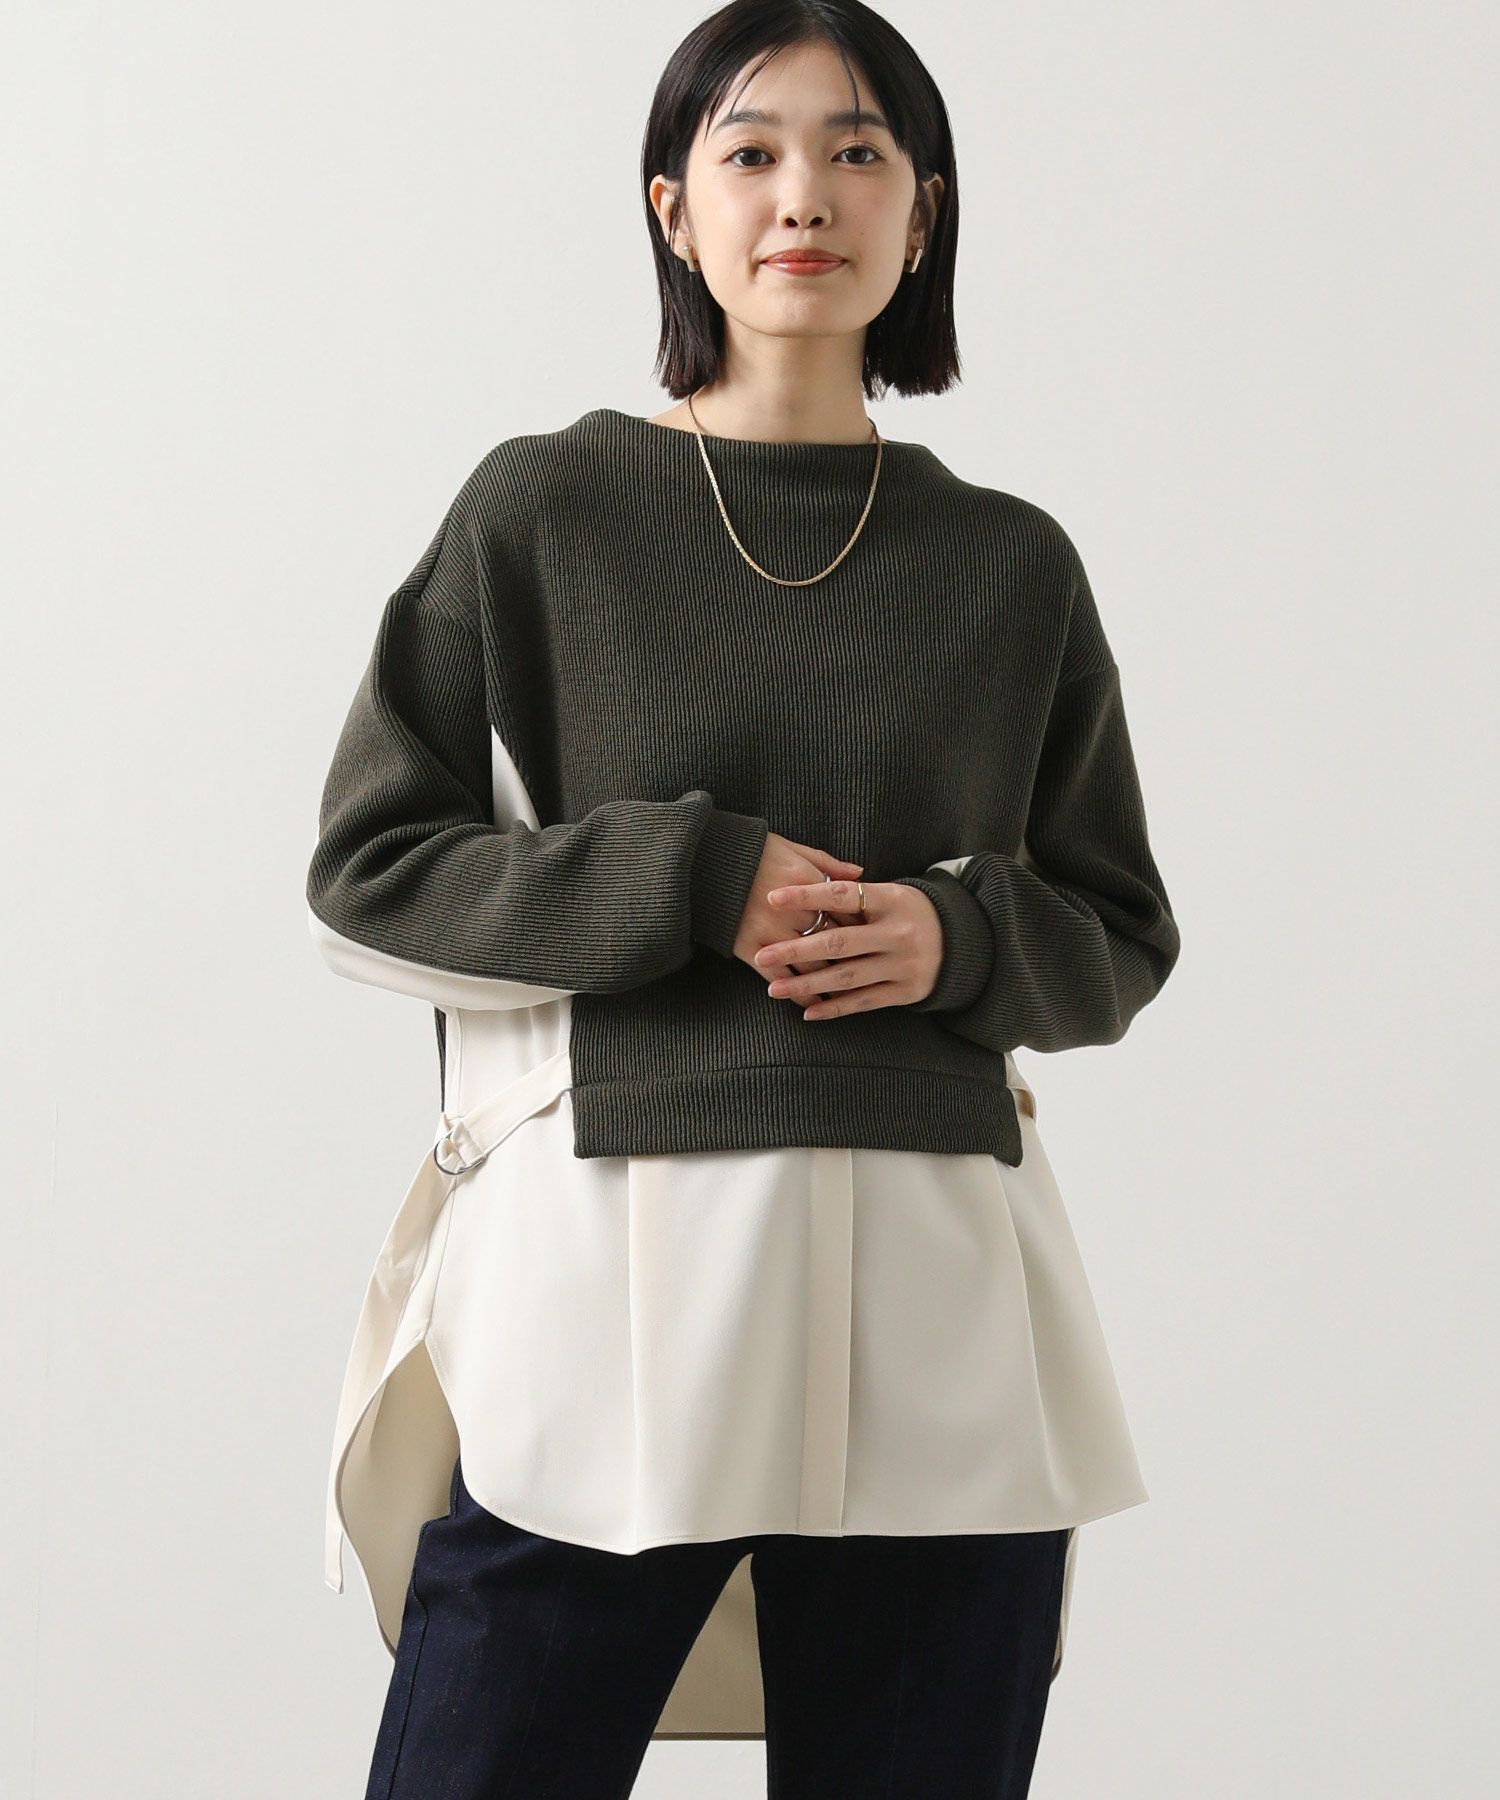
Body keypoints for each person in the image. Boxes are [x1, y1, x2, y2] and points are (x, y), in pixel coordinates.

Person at [306, 4, 1181, 1795]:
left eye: (860, 152)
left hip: (936, 1308)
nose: (806, 196)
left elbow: (1118, 928)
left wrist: (958, 936)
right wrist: (692, 878)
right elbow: (370, 871)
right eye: (753, 151)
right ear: (674, 209)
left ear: (923, 213)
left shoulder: (1009, 564)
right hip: (612, 1303)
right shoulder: (546, 512)